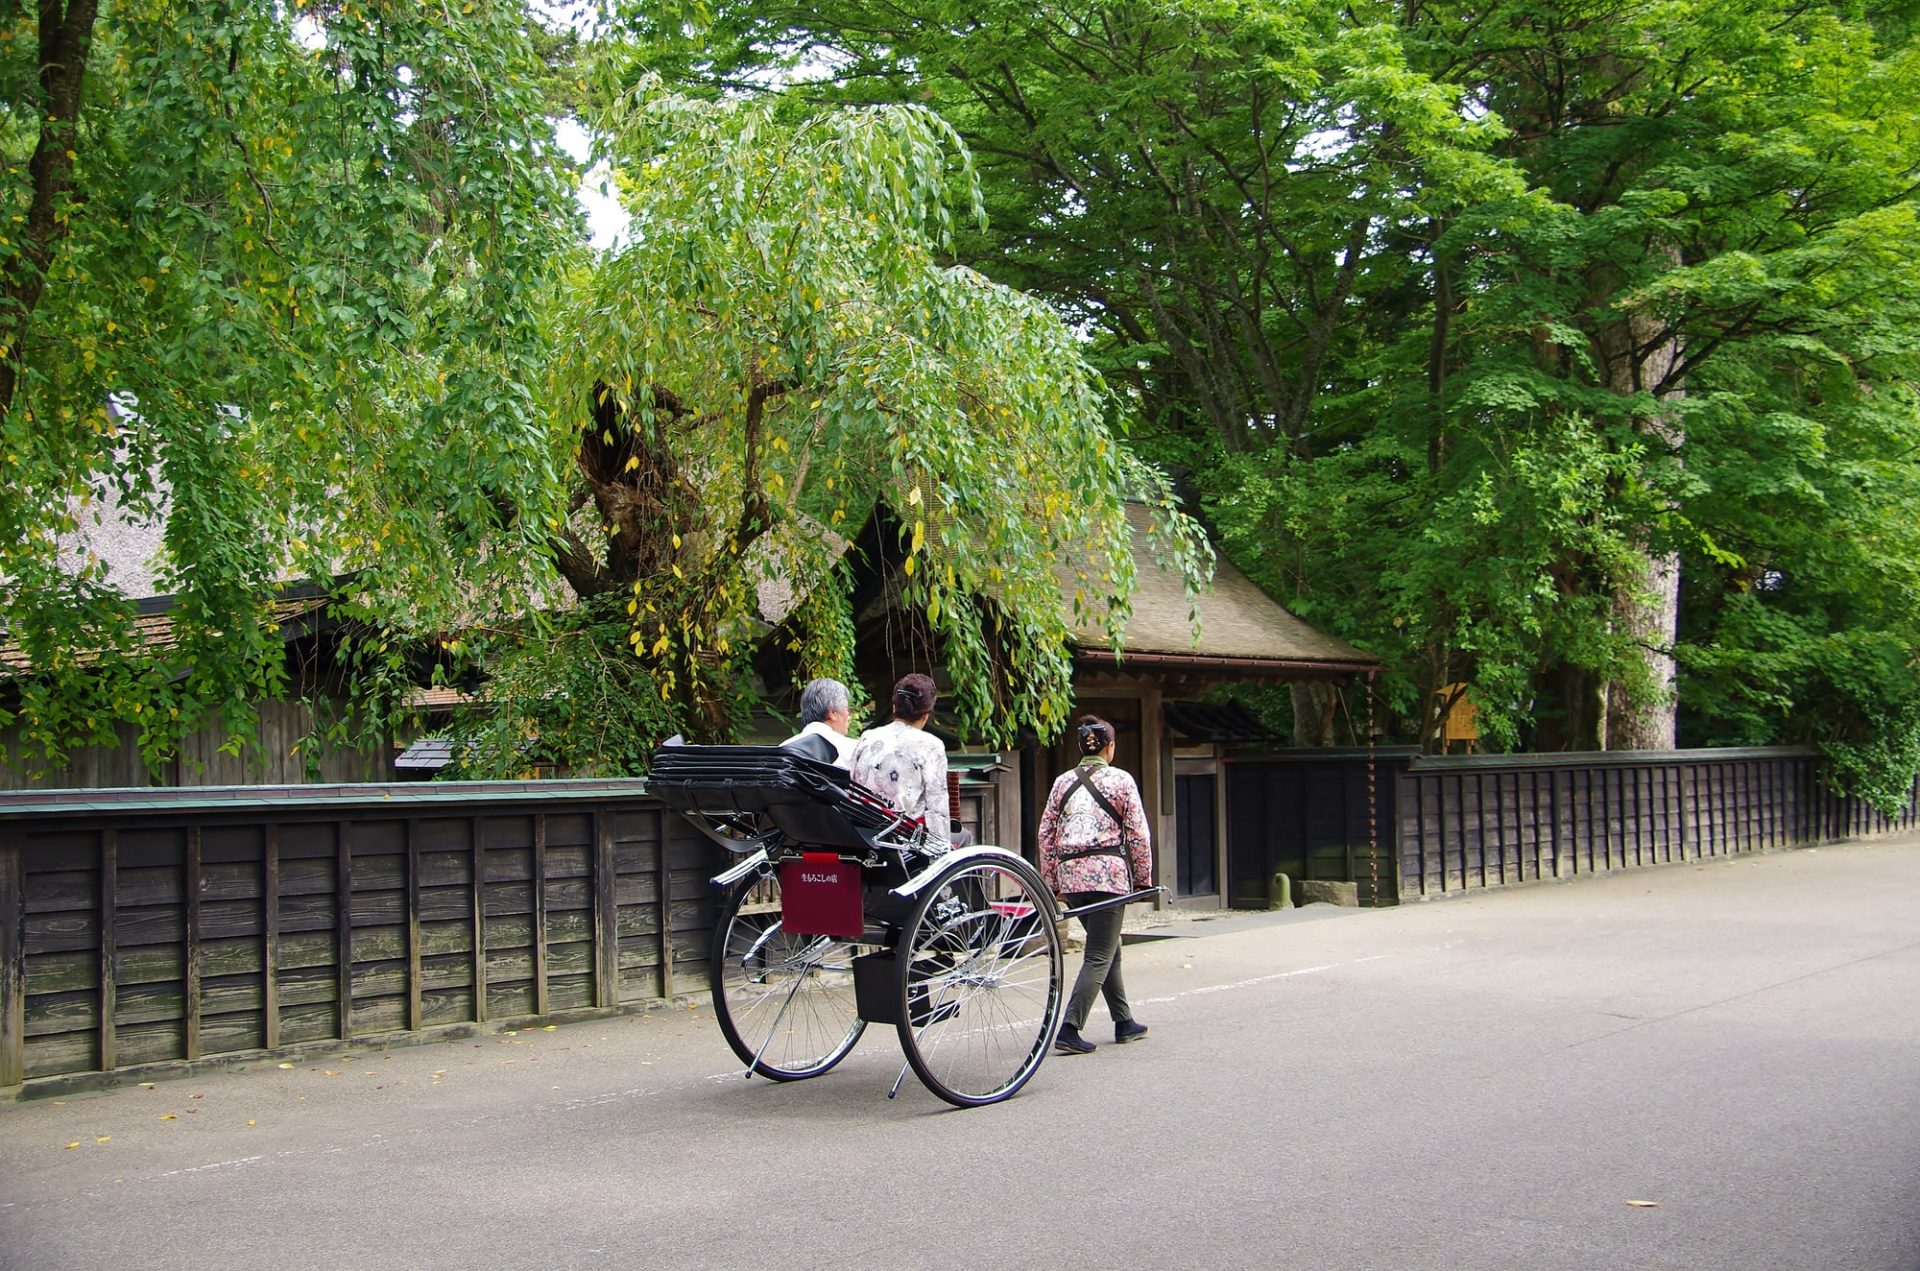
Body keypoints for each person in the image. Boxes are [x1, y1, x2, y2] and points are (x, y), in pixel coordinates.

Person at [1038, 714, 1153, 1054]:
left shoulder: (1061, 782)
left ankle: (1123, 1021)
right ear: (1110, 747)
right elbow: (1137, 833)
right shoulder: (1121, 781)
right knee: (1099, 954)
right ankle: (1070, 1028)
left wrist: (1052, 880)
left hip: (1072, 878)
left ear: (1080, 747)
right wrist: (1143, 879)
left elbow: (1046, 833)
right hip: (1107, 874)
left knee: (1107, 947)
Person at [848, 672, 952, 840]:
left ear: (895, 707)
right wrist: (942, 848)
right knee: (962, 836)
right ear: (927, 714)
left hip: (864, 832)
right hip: (904, 835)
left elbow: (852, 784)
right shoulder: (931, 745)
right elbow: (937, 807)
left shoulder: (868, 737)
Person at [781, 677, 856, 768]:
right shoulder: (853, 750)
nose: (849, 717)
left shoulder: (783, 748)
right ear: (833, 713)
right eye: (847, 709)